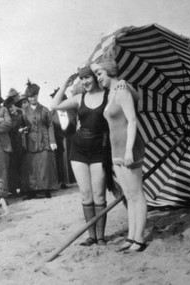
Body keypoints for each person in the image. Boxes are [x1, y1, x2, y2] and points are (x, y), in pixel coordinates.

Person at [91, 58, 148, 252]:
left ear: (110, 72)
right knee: (128, 195)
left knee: (136, 194)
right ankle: (132, 236)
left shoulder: (122, 90)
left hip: (129, 148)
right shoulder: (111, 93)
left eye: (100, 74)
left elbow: (132, 121)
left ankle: (139, 238)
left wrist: (129, 150)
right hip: (116, 149)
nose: (98, 78)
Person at [50, 66, 111, 246]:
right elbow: (54, 106)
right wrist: (65, 85)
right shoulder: (79, 98)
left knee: (99, 195)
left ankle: (101, 236)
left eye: (88, 78)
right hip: (78, 151)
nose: (85, 82)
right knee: (86, 195)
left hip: (99, 150)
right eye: (82, 79)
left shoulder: (108, 96)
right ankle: (91, 236)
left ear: (95, 77)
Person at [20, 80, 58, 199]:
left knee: (44, 164)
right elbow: (21, 125)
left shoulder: (45, 110)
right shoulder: (24, 111)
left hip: (44, 139)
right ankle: (32, 190)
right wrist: (22, 130)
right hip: (30, 141)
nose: (32, 99)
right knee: (31, 165)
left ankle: (46, 189)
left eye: (34, 96)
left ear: (38, 95)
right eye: (30, 97)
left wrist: (52, 141)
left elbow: (50, 125)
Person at [49, 88, 77, 189]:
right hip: (58, 141)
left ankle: (73, 179)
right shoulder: (51, 114)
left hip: (71, 141)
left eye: (62, 101)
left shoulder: (73, 112)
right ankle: (61, 181)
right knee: (59, 161)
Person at [3, 95, 24, 195]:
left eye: (11, 106)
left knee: (22, 165)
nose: (11, 109)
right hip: (12, 142)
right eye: (8, 108)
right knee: (13, 166)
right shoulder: (8, 118)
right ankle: (13, 188)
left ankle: (23, 187)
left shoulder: (21, 114)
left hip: (21, 142)